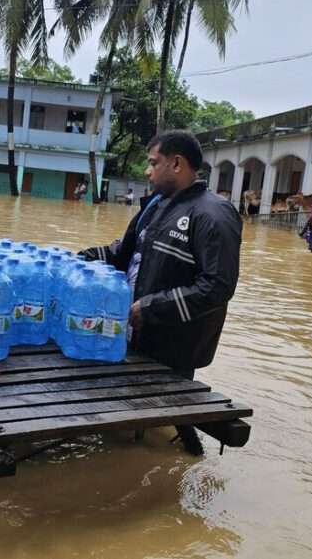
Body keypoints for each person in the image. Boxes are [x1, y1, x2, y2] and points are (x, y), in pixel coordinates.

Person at [79, 130, 242, 455]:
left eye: (154, 163)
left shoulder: (213, 215)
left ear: (177, 163)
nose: (147, 171)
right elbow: (124, 252)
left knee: (162, 413)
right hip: (134, 334)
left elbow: (218, 287)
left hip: (174, 345)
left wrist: (151, 308)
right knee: (125, 417)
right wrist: (79, 259)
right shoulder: (155, 206)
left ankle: (179, 458)